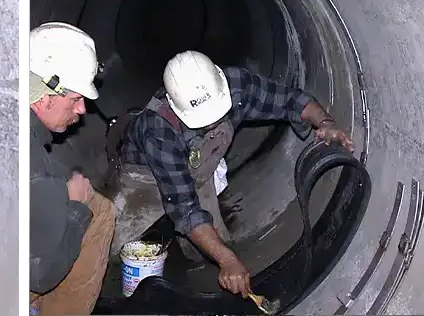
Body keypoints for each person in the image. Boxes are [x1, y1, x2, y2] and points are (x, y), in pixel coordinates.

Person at [107, 50, 353, 298]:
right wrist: (228, 260)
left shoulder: (235, 85)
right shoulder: (158, 128)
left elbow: (291, 101)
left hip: (196, 172)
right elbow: (184, 208)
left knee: (211, 250)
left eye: (217, 113)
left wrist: (325, 122)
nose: (212, 123)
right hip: (143, 178)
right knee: (109, 249)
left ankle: (195, 279)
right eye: (203, 120)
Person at [29, 22, 115, 316]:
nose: (81, 110)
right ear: (44, 98)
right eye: (76, 99)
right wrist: (76, 207)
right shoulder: (36, 171)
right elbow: (40, 275)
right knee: (98, 211)